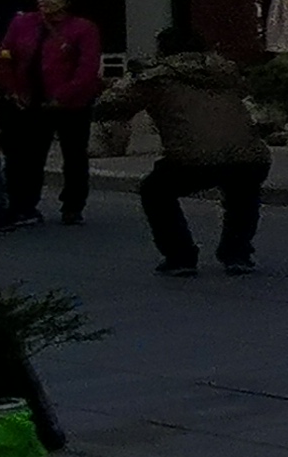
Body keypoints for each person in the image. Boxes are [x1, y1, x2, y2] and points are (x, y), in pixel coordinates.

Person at [99, 25, 272, 273]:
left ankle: (180, 256)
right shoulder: (225, 71)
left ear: (162, 50)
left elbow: (114, 104)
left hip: (193, 156)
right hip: (250, 153)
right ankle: (237, 254)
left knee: (155, 191)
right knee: (242, 193)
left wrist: (118, 85)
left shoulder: (155, 77)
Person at [0, 0, 103, 226]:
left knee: (74, 155)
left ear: (66, 1)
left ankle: (73, 204)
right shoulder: (22, 23)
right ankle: (25, 204)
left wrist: (63, 95)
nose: (44, 0)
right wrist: (13, 89)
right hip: (31, 98)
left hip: (72, 103)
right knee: (30, 155)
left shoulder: (83, 28)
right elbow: (5, 56)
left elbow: (87, 69)